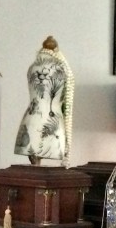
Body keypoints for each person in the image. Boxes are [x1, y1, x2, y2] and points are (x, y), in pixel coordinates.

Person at [14, 36, 74, 167]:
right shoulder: (62, 69)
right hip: (53, 120)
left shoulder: (34, 67)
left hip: (35, 119)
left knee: (36, 162)